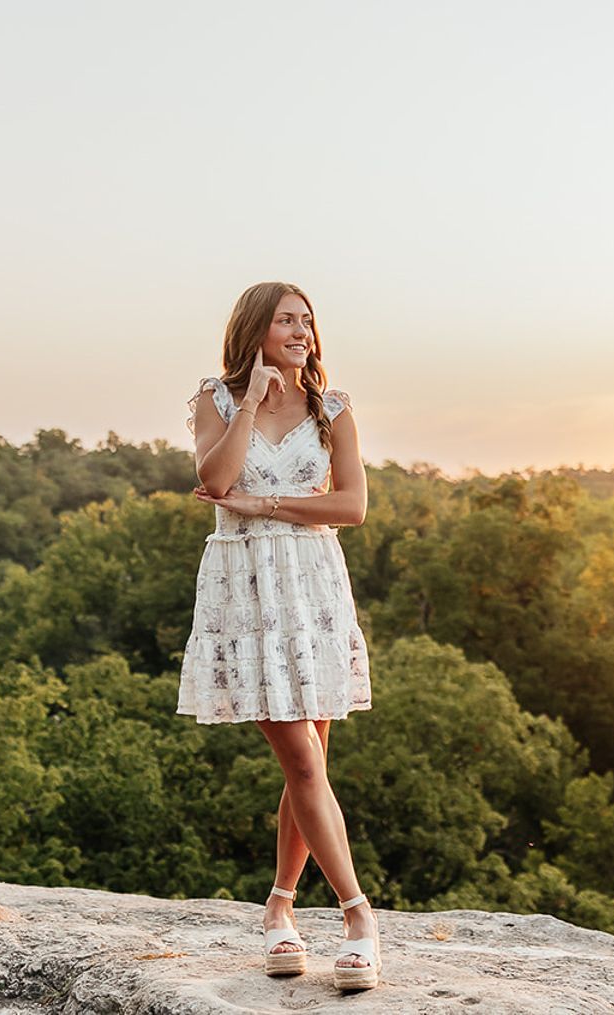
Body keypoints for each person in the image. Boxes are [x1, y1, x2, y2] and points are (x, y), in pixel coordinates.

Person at [178, 281, 380, 991]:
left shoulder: (334, 408)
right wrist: (255, 402)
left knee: (311, 758)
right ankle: (359, 916)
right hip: (245, 586)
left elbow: (350, 505)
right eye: (286, 320)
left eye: (307, 320)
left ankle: (279, 906)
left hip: (313, 584)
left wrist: (266, 502)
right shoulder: (217, 398)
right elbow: (214, 476)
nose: (301, 330)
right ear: (256, 330)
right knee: (299, 753)